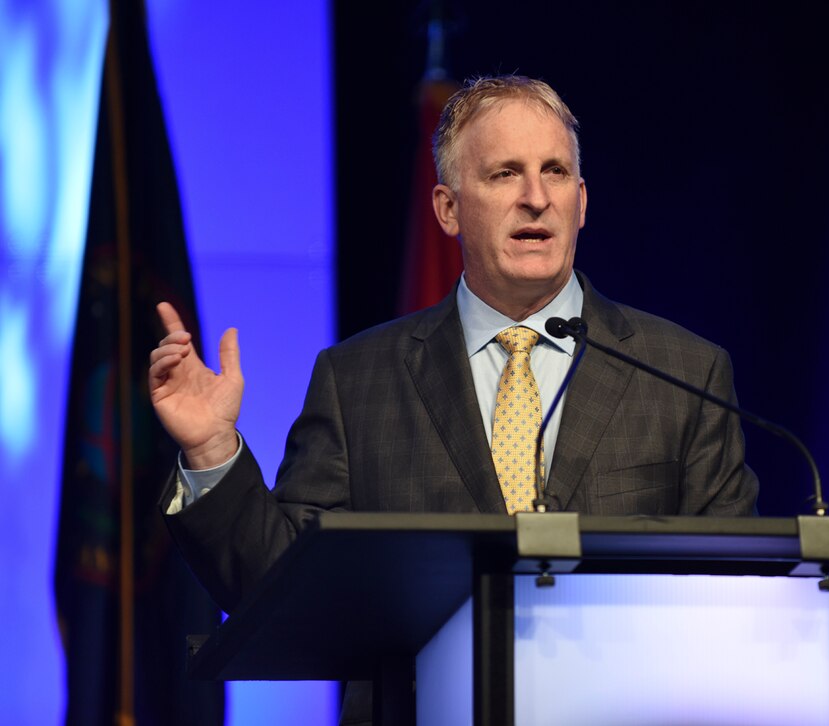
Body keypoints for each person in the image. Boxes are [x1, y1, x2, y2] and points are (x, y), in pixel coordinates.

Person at [149, 74, 758, 723]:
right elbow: (278, 586)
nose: (535, 198)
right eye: (504, 174)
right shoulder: (358, 380)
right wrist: (211, 448)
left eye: (555, 172)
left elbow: (734, 604)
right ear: (447, 208)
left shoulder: (684, 374)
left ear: (581, 202)